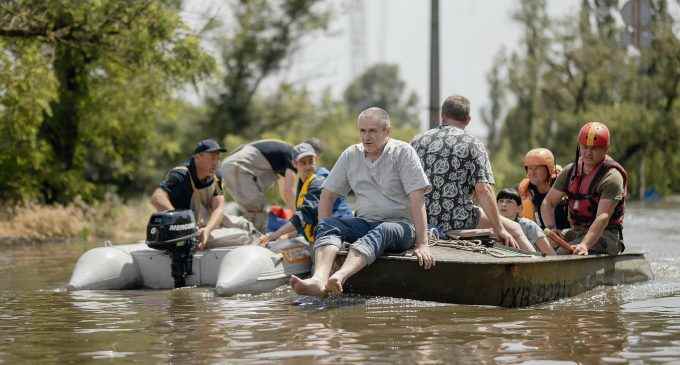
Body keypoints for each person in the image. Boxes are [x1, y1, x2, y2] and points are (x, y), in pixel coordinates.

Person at [290, 107, 434, 297]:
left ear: (387, 131)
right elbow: (327, 196)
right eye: (363, 131)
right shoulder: (351, 154)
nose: (367, 137)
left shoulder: (403, 152)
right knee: (328, 225)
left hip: (401, 227)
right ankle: (319, 278)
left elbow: (417, 198)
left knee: (384, 229)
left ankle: (340, 276)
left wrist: (422, 243)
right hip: (365, 222)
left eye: (373, 131)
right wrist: (326, 238)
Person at [410, 95, 534, 252]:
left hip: (421, 219)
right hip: (460, 219)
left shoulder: (417, 141)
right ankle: (539, 271)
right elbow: (483, 189)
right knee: (515, 229)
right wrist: (500, 229)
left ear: (442, 116)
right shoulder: (473, 143)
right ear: (468, 120)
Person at [541, 121, 627, 255]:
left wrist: (584, 245)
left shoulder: (612, 178)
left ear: (605, 149)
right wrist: (552, 229)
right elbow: (548, 203)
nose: (588, 152)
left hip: (606, 235)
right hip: (577, 231)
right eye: (584, 147)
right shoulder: (570, 171)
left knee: (563, 252)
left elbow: (602, 217)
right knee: (540, 244)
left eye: (594, 148)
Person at [151, 139, 253, 250]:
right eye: (212, 158)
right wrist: (177, 218)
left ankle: (265, 241)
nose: (216, 162)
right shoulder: (181, 175)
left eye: (218, 158)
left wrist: (208, 229)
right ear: (197, 157)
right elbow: (157, 197)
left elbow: (219, 208)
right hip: (186, 230)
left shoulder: (216, 176)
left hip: (207, 221)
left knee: (244, 224)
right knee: (242, 237)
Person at [259, 142, 352, 245]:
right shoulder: (305, 182)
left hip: (340, 233)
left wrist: (274, 235)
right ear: (294, 164)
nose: (308, 166)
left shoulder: (319, 180)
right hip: (329, 232)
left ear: (316, 160)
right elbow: (307, 221)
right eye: (303, 162)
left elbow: (304, 216)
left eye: (310, 161)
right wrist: (287, 235)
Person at [220, 139, 297, 232]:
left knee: (254, 211)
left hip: (231, 165)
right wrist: (299, 218)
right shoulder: (293, 156)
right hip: (238, 167)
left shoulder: (280, 153)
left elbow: (284, 192)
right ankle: (254, 242)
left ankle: (250, 238)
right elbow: (288, 191)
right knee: (257, 210)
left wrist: (294, 213)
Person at [518, 148, 570, 229]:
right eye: (530, 168)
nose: (532, 173)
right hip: (544, 235)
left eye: (537, 168)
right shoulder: (527, 190)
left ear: (548, 169)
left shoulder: (563, 185)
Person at [302, 138, 353, 217]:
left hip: (339, 221)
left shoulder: (321, 176)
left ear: (317, 156)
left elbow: (305, 215)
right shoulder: (309, 178)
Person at [497, 188, 556, 255]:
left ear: (519, 208)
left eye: (509, 202)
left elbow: (550, 254)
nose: (503, 204)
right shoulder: (490, 225)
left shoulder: (529, 226)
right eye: (501, 201)